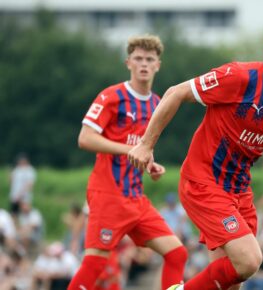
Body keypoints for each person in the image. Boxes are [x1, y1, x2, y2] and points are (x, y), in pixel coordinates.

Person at [128, 16, 263, 290]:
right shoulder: (240, 76)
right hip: (203, 181)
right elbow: (175, 92)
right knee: (249, 261)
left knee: (231, 282)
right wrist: (146, 144)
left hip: (239, 191)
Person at [67, 35, 188, 290]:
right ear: (128, 63)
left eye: (149, 59)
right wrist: (130, 149)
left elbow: (144, 148)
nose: (144, 64)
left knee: (177, 254)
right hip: (108, 194)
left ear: (158, 65)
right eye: (138, 58)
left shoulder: (157, 103)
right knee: (94, 265)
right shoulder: (112, 96)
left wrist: (151, 164)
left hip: (136, 198)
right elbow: (85, 138)